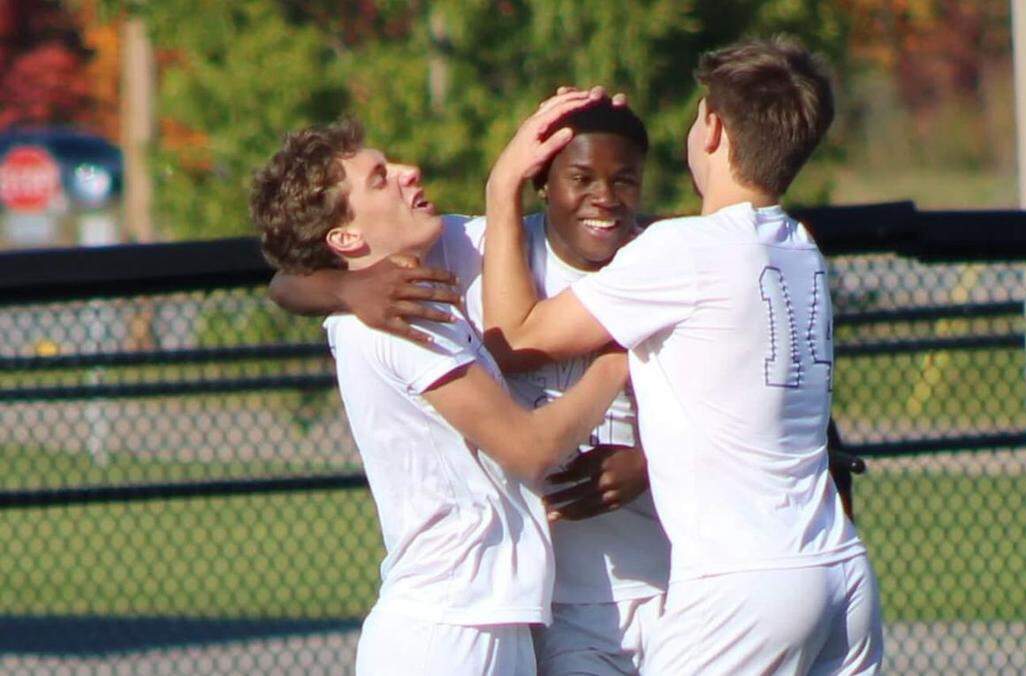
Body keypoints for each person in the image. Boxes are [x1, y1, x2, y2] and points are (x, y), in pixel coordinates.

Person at [480, 37, 884, 674]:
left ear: (715, 131)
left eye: (700, 115)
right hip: (840, 572)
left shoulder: (684, 251)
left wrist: (504, 184)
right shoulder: (796, 243)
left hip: (746, 586)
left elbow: (518, 338)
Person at [268, 99, 672, 675]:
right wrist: (347, 288)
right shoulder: (427, 287)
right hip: (473, 620)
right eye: (381, 177)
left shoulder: (668, 258)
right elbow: (286, 276)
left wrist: (653, 459)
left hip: (583, 600)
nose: (603, 196)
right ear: (540, 181)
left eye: (623, 177)